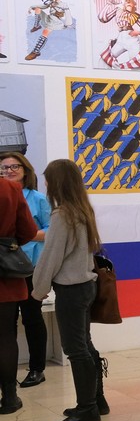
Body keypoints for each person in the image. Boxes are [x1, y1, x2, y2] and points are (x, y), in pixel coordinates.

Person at [33, 160, 105, 421]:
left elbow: (51, 257)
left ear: (57, 182)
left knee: (76, 349)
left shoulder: (62, 215)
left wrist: (38, 290)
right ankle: (96, 401)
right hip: (86, 286)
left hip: (72, 290)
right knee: (84, 345)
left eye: (48, 179)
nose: (45, 184)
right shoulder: (82, 210)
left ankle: (87, 409)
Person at [1, 153, 51, 388]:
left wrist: (27, 236)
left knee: (32, 317)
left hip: (30, 266)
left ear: (25, 170)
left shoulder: (38, 198)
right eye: (4, 168)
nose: (9, 171)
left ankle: (37, 369)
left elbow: (52, 230)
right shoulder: (5, 194)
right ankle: (7, 374)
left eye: (14, 166)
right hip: (6, 267)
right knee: (7, 322)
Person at [0, 172, 37, 414]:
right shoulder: (10, 189)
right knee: (4, 336)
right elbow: (29, 231)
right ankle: (10, 398)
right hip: (4, 271)